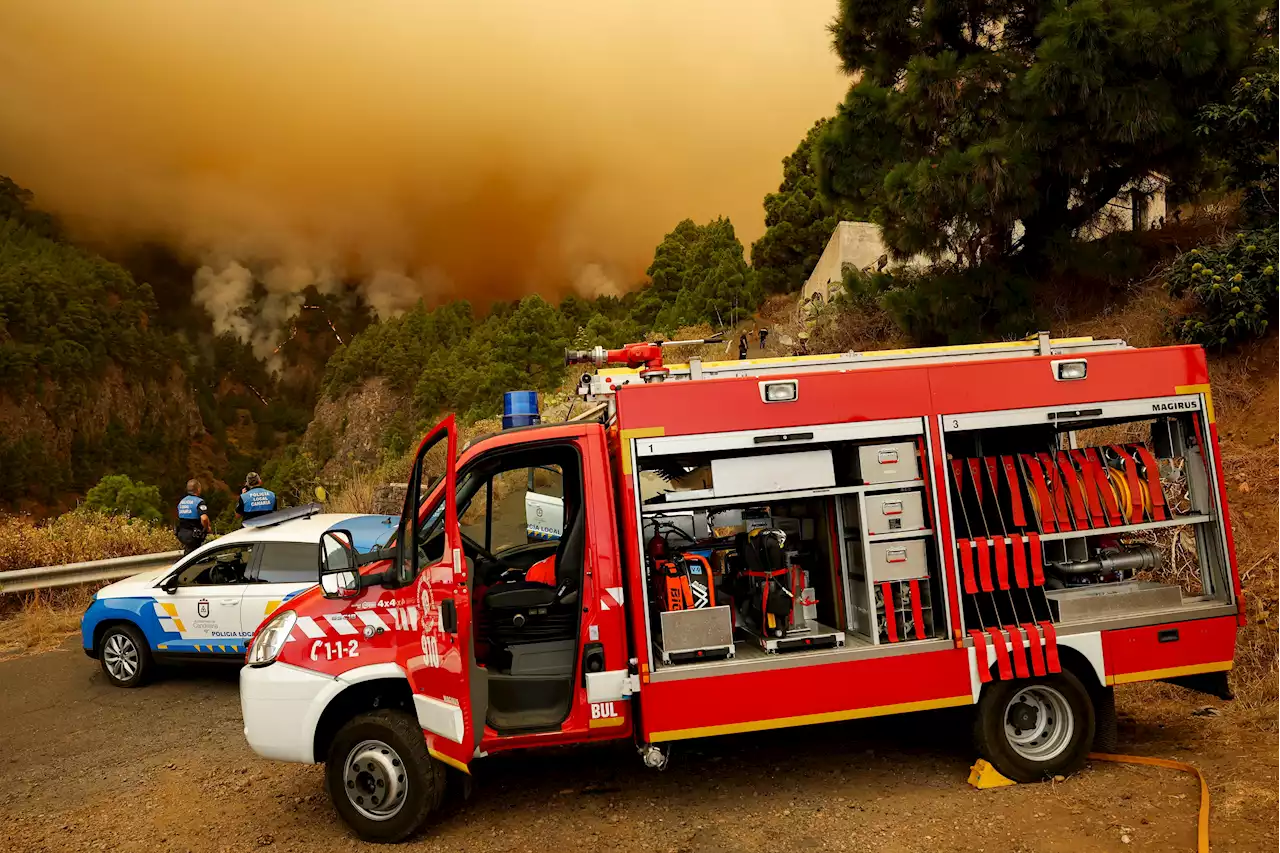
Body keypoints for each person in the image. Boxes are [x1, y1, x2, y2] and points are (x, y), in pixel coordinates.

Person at [175, 480, 211, 555]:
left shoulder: (182, 501)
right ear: (198, 489)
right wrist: (207, 528)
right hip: (194, 535)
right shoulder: (199, 502)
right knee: (195, 555)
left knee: (188, 552)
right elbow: (204, 518)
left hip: (181, 533)